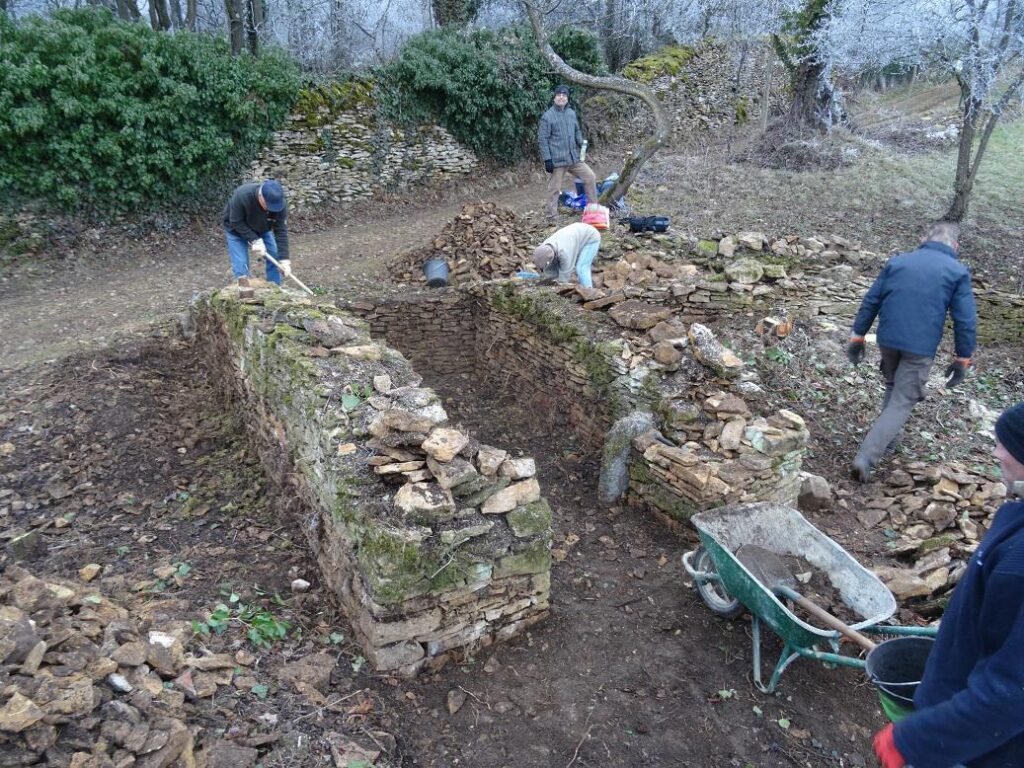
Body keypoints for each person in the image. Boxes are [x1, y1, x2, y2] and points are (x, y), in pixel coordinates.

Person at [873, 401, 1024, 768]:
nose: (996, 452)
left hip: (979, 752)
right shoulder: (1016, 514)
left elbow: (1013, 690)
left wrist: (918, 741)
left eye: (1009, 445)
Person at [847, 221, 976, 482]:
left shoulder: (899, 262)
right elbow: (965, 319)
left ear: (926, 237)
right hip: (920, 347)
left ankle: (889, 440)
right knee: (903, 399)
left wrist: (857, 336)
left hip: (888, 340)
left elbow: (871, 300)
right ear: (955, 245)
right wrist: (962, 357)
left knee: (894, 386)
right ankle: (866, 457)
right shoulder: (957, 271)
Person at [538, 84, 598, 219]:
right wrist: (547, 159)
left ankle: (593, 211)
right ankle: (551, 216)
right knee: (554, 189)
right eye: (558, 95)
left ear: (567, 98)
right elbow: (542, 140)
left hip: (573, 158)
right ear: (554, 98)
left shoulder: (571, 113)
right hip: (557, 160)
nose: (561, 97)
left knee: (590, 177)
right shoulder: (547, 117)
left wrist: (580, 142)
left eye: (564, 95)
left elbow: (576, 130)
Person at [223, 179, 292, 295]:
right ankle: (244, 298)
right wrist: (254, 240)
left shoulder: (280, 204)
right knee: (241, 267)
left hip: (262, 229)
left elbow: (281, 231)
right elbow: (236, 221)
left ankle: (274, 290)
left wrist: (284, 260)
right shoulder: (242, 195)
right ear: (260, 196)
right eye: (268, 206)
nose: (271, 210)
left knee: (274, 256)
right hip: (236, 230)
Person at [532, 222, 601, 289]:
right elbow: (550, 269)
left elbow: (565, 273)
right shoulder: (543, 247)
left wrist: (560, 286)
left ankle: (589, 292)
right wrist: (551, 281)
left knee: (581, 268)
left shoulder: (565, 253)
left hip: (590, 237)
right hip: (576, 235)